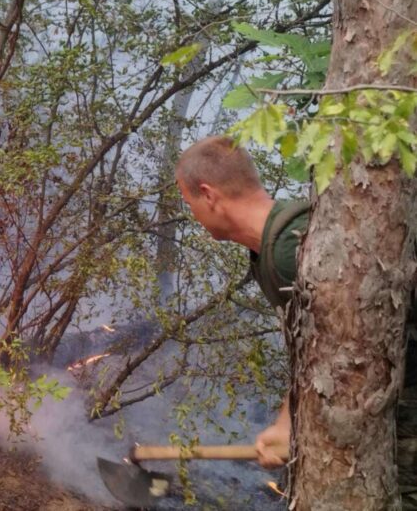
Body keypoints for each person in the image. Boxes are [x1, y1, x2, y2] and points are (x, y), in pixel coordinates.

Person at [175, 135, 417, 504]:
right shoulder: (274, 247)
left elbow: (349, 354)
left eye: (189, 201)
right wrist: (286, 424)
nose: (192, 213)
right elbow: (316, 352)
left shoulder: (294, 249)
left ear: (208, 195)